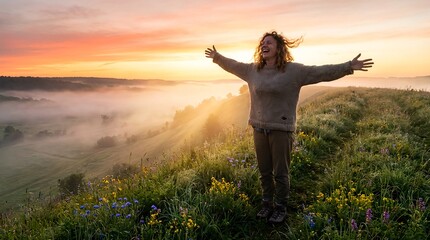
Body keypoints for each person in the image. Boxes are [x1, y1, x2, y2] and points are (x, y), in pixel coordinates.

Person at [205, 31, 374, 223]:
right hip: (259, 129)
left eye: (269, 43)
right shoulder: (253, 70)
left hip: (281, 130)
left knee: (280, 173)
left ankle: (280, 208)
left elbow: (321, 72)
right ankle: (267, 204)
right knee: (264, 171)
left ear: (279, 48)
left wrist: (348, 66)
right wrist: (217, 58)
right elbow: (233, 65)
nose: (264, 45)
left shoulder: (294, 71)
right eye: (262, 43)